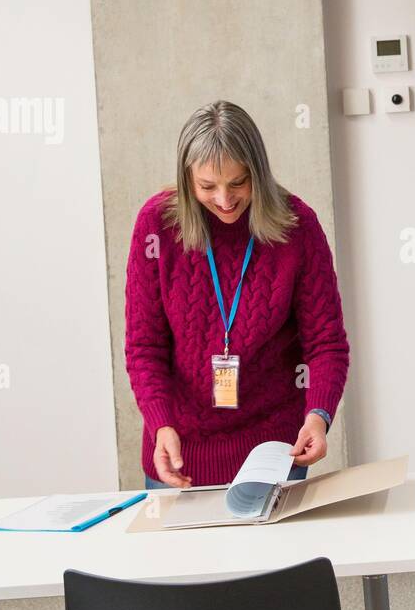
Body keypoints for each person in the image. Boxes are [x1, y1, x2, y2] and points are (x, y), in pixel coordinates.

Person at [125, 100, 349, 489]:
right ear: (186, 179)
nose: (225, 200)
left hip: (273, 452)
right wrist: (159, 422)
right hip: (178, 453)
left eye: (239, 182)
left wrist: (319, 414)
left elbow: (326, 343)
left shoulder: (297, 227)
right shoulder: (157, 227)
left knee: (278, 554)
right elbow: (144, 347)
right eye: (208, 186)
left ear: (258, 174)